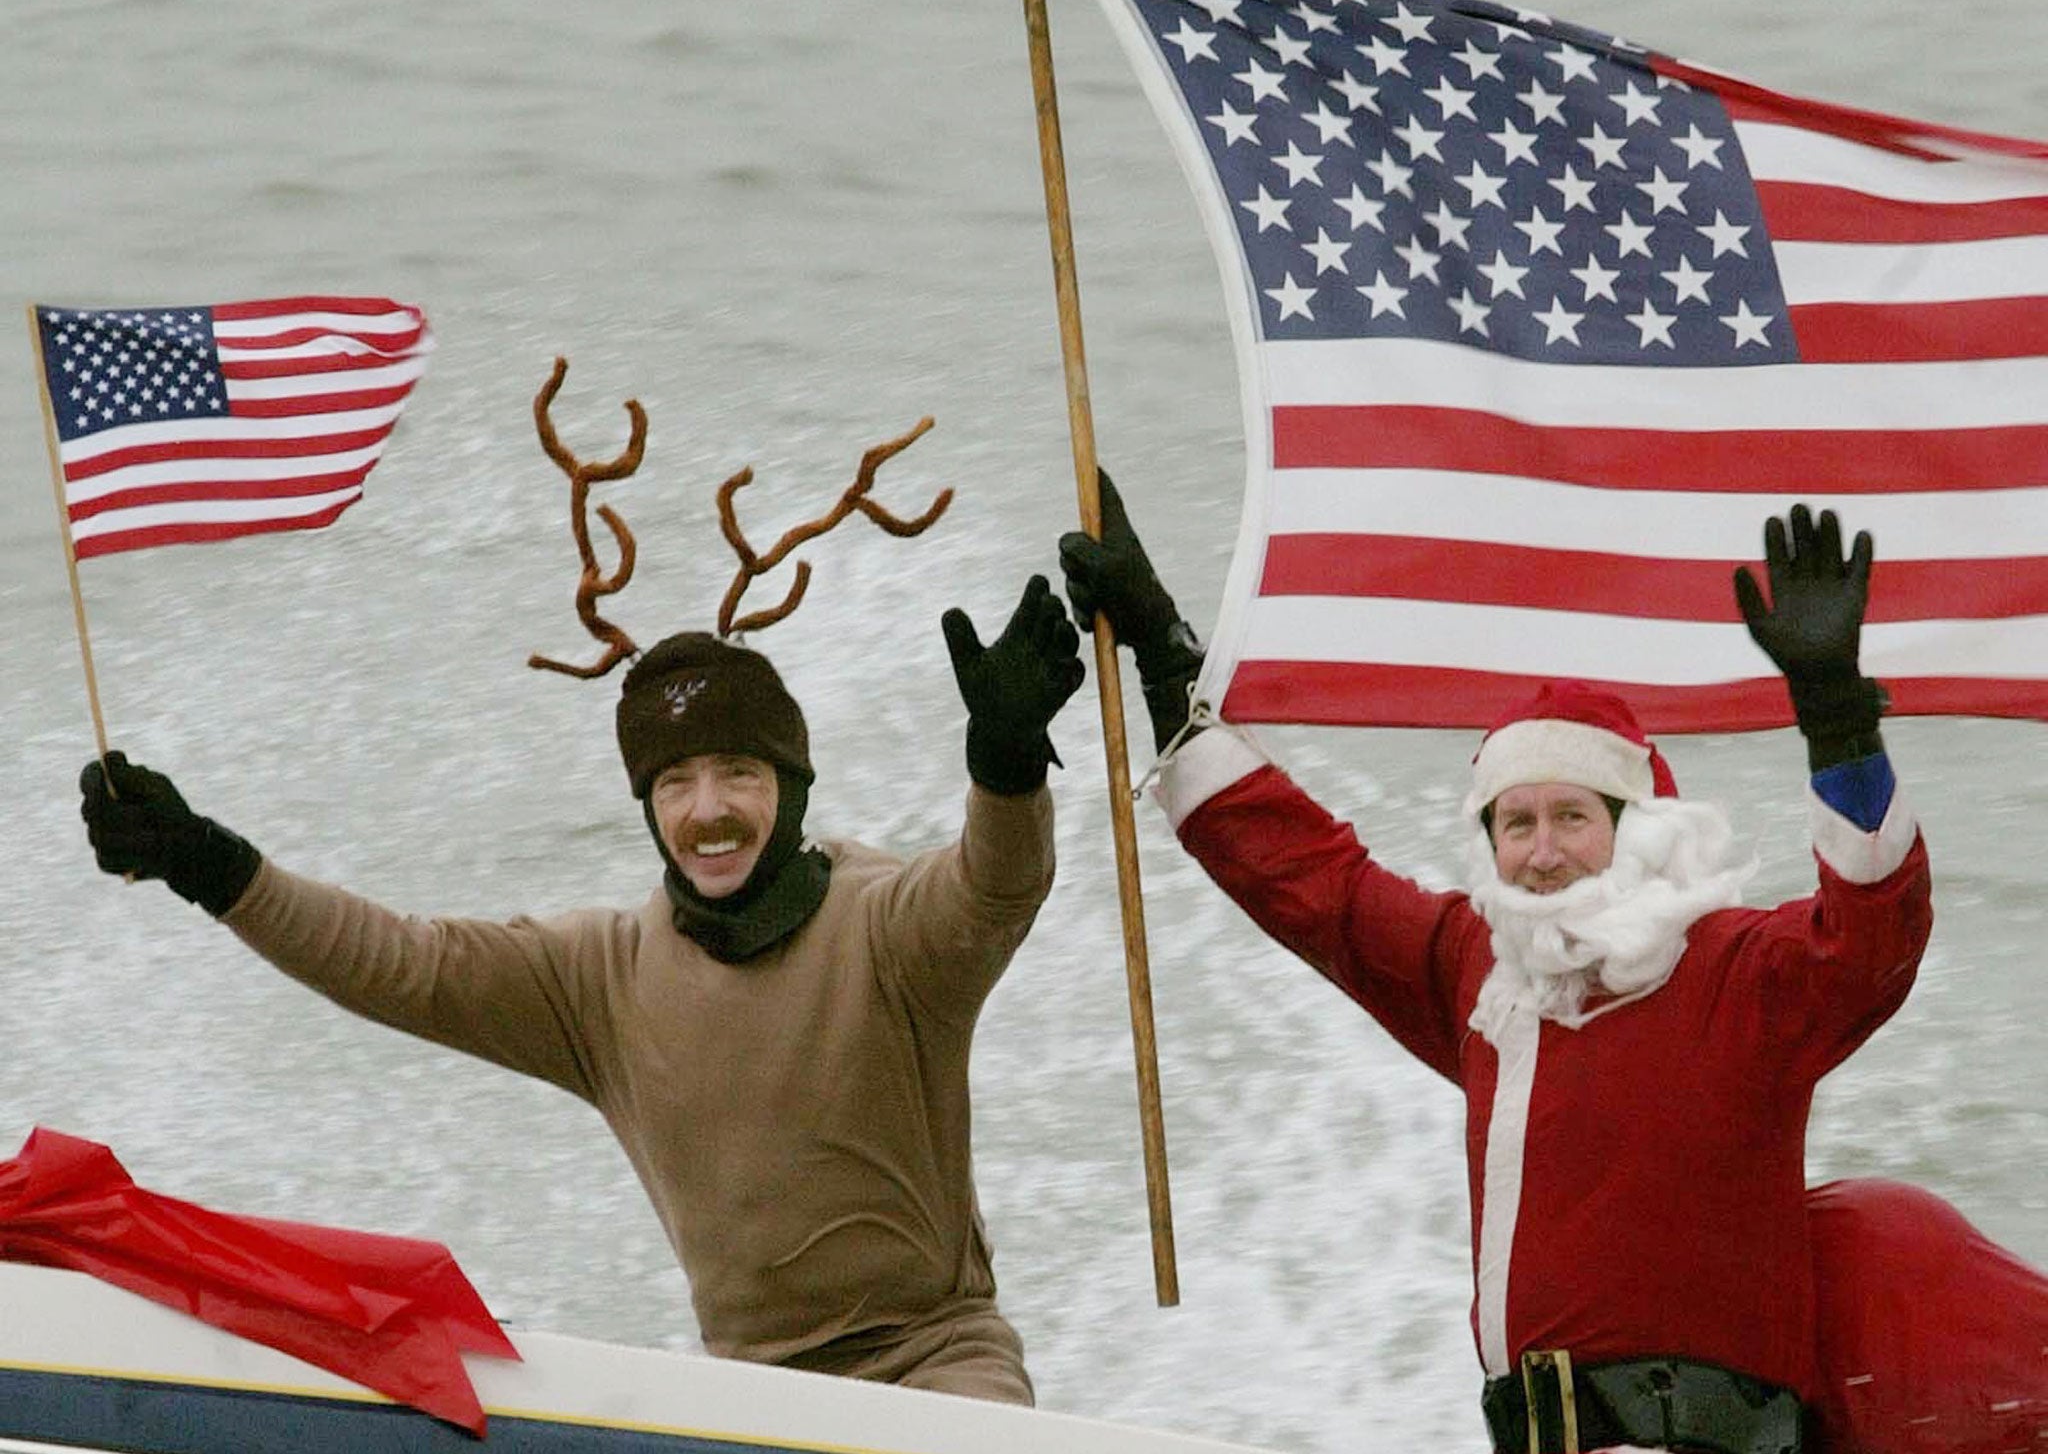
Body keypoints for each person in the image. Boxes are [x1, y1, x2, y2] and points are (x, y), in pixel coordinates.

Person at [1060, 477, 1931, 1453]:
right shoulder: (1478, 973)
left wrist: (1837, 720)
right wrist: (1155, 646)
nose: (1543, 849)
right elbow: (1310, 881)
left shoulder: (1737, 969)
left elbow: (1871, 932)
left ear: (1635, 827)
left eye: (1572, 817)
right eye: (1516, 822)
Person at [77, 574, 1086, 1405]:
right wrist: (211, 866)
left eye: (737, 771)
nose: (708, 811)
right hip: (747, 1399)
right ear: (646, 807)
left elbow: (991, 887)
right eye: (673, 782)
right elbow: (398, 964)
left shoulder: (886, 928)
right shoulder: (597, 978)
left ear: (793, 786)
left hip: (941, 1369)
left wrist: (1004, 770)